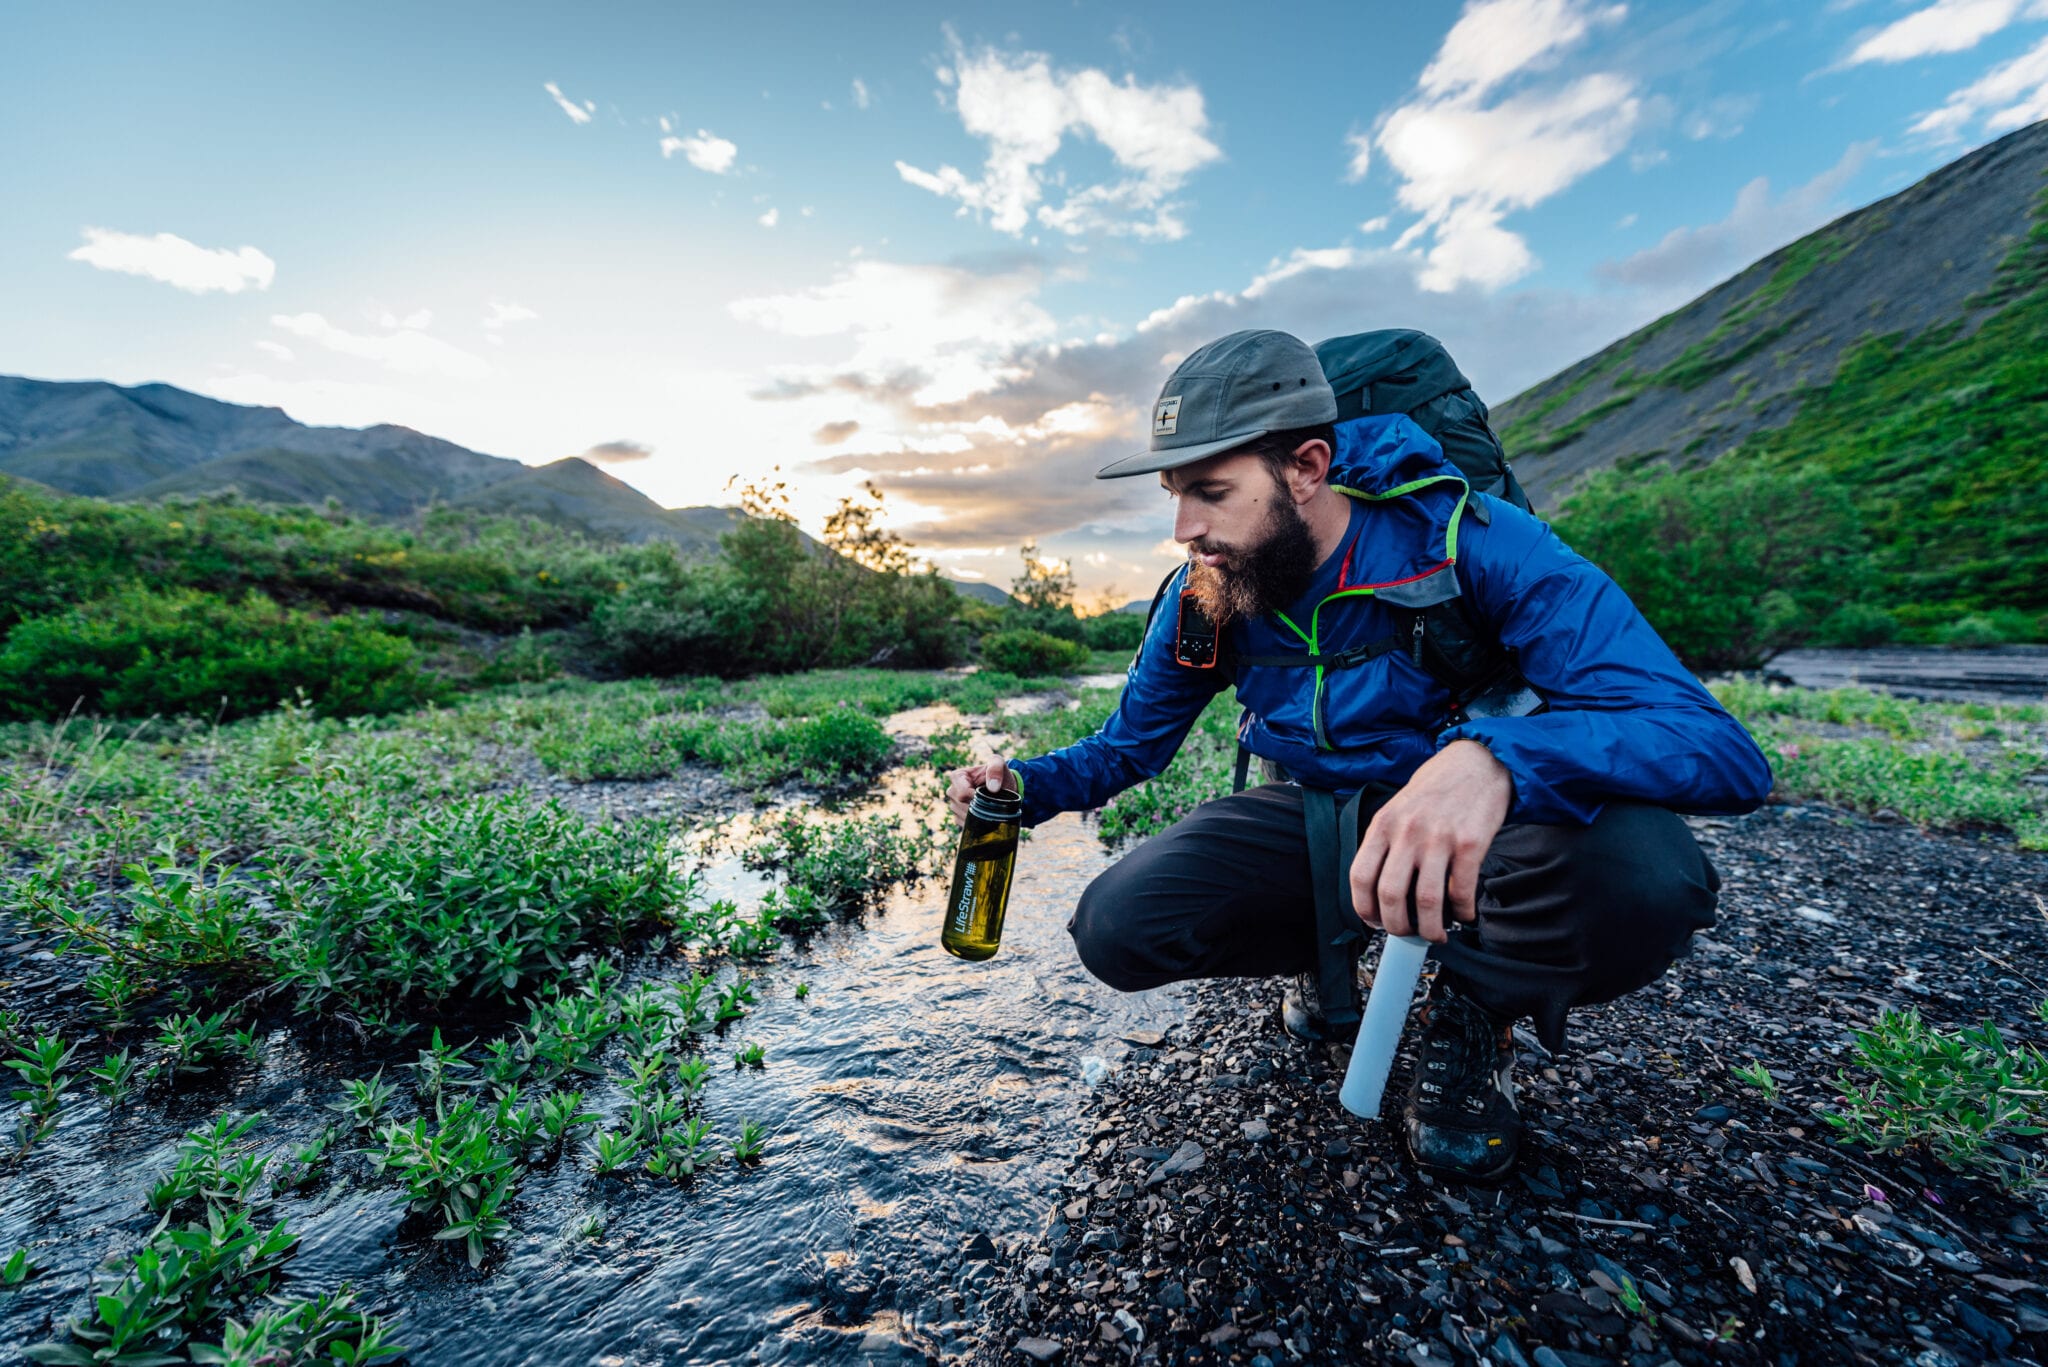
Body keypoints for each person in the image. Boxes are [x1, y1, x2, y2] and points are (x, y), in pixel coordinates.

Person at [945, 329, 1772, 1182]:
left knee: (1645, 875)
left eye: (1212, 492)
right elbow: (1127, 746)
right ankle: (1327, 951)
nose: (1185, 528)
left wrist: (1492, 757)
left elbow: (1718, 748)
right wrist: (1023, 785)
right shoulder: (1205, 594)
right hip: (1326, 818)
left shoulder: (1472, 544)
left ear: (1306, 467)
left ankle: (1477, 1005)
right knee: (1121, 925)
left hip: (1488, 834)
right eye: (1174, 494)